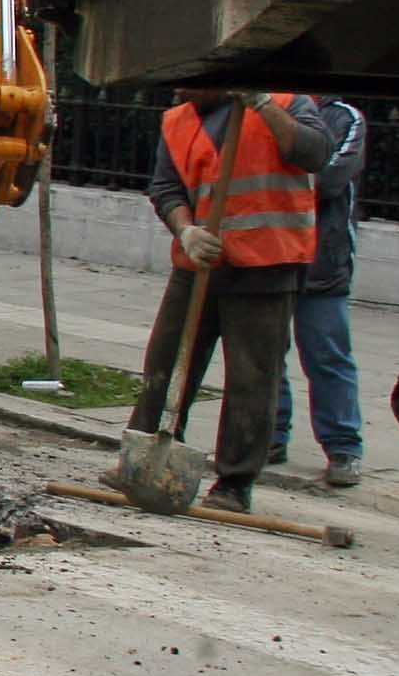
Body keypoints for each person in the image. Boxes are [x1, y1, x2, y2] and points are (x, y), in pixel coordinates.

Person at [125, 86, 341, 513]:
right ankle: (143, 456)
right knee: (164, 364)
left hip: (267, 263)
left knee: (251, 377)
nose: (178, 89)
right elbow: (166, 189)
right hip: (199, 264)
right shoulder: (177, 120)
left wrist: (261, 105)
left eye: (189, 80)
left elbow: (316, 154)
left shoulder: (284, 105)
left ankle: (234, 483)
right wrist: (187, 231)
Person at [272, 95, 369, 488]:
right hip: (272, 249)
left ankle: (343, 446)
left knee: (327, 354)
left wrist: (276, 180)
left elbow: (329, 177)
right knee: (265, 353)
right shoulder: (273, 107)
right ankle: (268, 436)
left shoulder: (344, 118)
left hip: (322, 259)